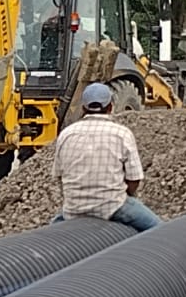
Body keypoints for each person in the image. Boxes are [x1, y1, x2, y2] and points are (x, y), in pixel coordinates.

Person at [51, 82, 162, 232]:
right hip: (112, 206)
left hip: (74, 208)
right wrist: (126, 195)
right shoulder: (122, 134)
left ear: (83, 108)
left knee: (51, 229)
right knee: (160, 229)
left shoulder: (66, 134)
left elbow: (59, 176)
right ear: (110, 107)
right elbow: (134, 179)